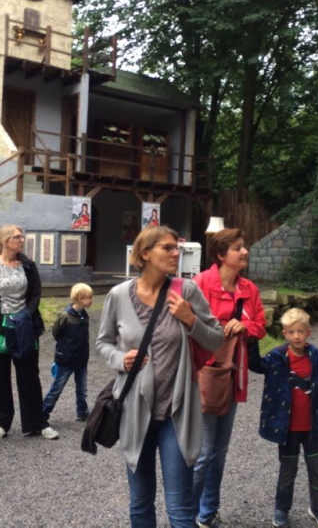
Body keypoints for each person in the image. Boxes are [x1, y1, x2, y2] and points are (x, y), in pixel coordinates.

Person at [97, 226, 223, 527]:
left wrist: (190, 320)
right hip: (134, 410)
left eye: (176, 247)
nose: (176, 253)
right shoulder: (118, 296)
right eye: (167, 247)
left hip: (175, 413)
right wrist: (120, 359)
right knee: (140, 503)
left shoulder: (186, 291)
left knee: (179, 508)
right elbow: (103, 342)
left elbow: (216, 339)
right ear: (145, 253)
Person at [191, 228, 266, 527]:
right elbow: (187, 323)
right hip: (205, 374)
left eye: (243, 246)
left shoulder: (249, 288)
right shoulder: (200, 284)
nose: (245, 251)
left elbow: (260, 325)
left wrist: (245, 327)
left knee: (219, 452)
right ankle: (184, 514)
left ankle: (208, 512)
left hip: (234, 374)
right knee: (203, 452)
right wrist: (221, 325)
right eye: (237, 248)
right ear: (221, 255)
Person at [248, 308, 318, 528]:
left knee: (316, 470)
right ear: (285, 333)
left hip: (311, 427)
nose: (297, 336)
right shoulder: (277, 357)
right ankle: (281, 509)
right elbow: (256, 365)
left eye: (301, 331)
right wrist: (252, 339)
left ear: (308, 332)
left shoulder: (317, 356)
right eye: (292, 332)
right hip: (287, 428)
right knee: (287, 470)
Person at [0, 224, 58, 441]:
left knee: (29, 375)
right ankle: (0, 424)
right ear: (4, 241)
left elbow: (35, 293)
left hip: (24, 326)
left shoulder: (28, 265)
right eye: (17, 237)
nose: (22, 240)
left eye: (22, 237)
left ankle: (37, 423)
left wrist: (24, 317)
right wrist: (4, 321)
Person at [41, 283, 93, 425]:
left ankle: (82, 412)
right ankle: (42, 414)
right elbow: (56, 333)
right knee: (57, 388)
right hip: (66, 359)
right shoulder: (65, 316)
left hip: (81, 359)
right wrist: (65, 349)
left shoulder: (84, 316)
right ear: (80, 298)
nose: (91, 300)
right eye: (89, 297)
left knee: (82, 389)